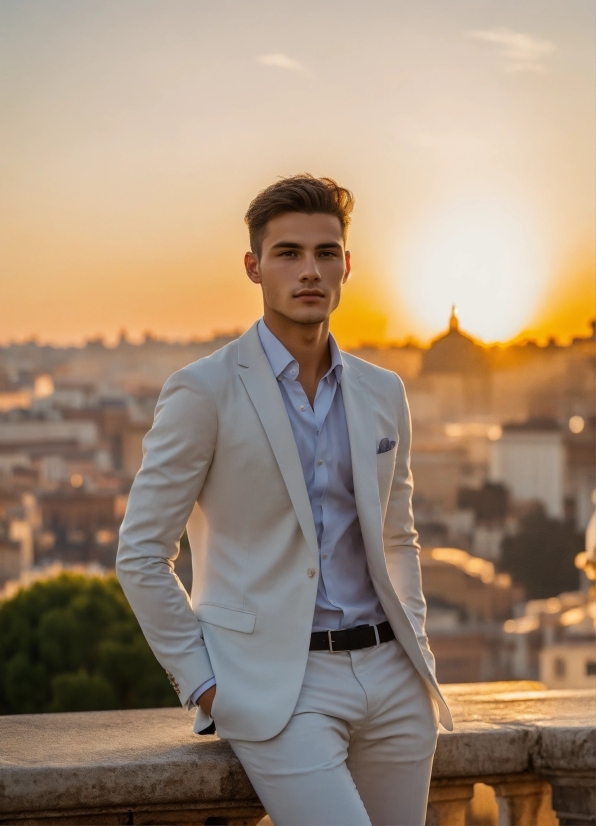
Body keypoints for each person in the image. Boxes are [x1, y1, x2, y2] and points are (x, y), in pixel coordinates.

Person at [116, 174, 452, 826]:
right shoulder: (203, 390)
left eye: (327, 253)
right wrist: (207, 685)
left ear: (347, 266)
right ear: (253, 267)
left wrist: (418, 653)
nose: (310, 271)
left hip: (392, 677)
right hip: (279, 685)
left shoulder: (383, 393)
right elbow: (141, 552)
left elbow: (396, 537)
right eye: (288, 253)